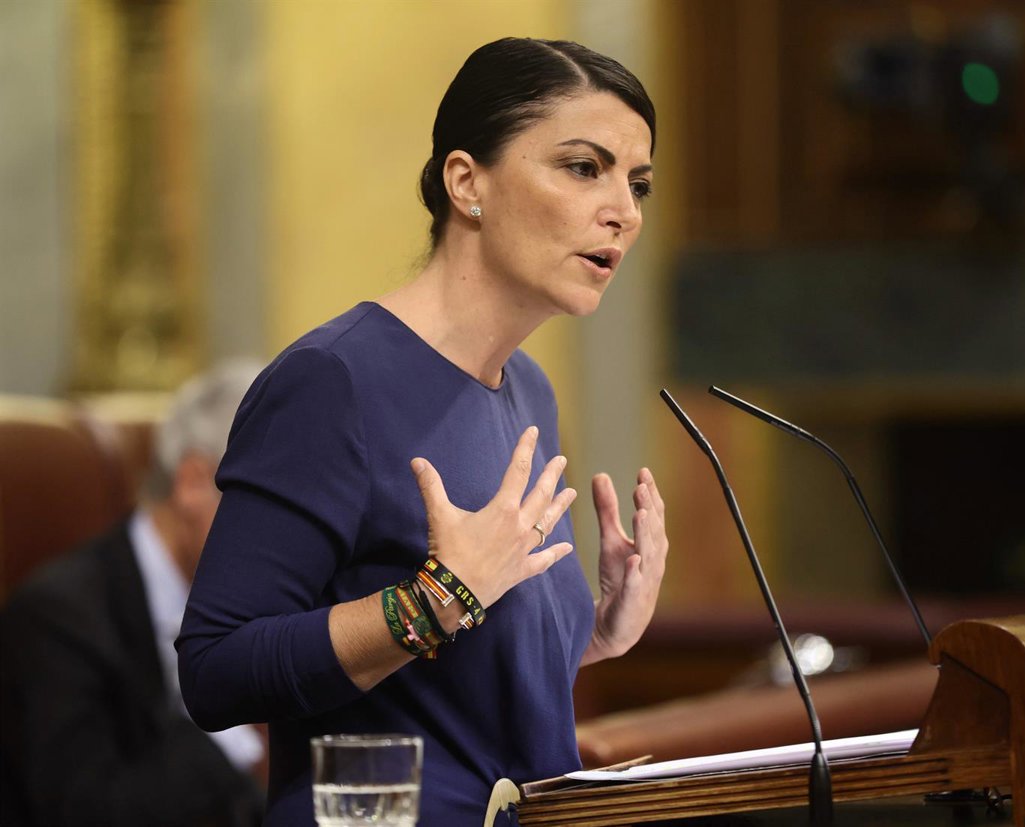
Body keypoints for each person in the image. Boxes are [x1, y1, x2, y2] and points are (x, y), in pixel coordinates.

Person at [176, 36, 668, 826]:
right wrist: (431, 600)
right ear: (467, 182)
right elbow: (215, 670)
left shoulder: (529, 390)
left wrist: (589, 634)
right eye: (585, 168)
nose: (626, 211)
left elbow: (448, 689)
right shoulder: (333, 382)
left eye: (637, 183)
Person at [0, 363, 266, 827]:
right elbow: (83, 812)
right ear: (193, 483)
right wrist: (239, 728)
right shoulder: (55, 617)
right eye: (271, 503)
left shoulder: (260, 603)